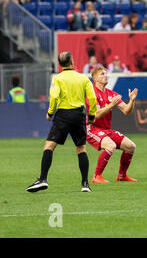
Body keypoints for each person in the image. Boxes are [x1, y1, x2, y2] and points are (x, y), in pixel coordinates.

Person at [26, 52, 97, 193]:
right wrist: (92, 115)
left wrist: (50, 112)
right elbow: (92, 98)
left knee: (49, 146)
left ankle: (43, 179)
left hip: (63, 115)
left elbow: (54, 97)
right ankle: (85, 184)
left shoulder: (57, 78)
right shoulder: (83, 78)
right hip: (79, 114)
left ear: (59, 64)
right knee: (81, 148)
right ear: (72, 61)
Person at [87, 67, 138, 183]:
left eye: (106, 73)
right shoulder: (92, 94)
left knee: (131, 146)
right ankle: (96, 176)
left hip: (105, 130)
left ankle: (122, 176)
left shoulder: (111, 94)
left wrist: (132, 101)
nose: (105, 75)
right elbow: (97, 115)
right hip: (92, 128)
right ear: (95, 79)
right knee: (111, 145)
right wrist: (111, 105)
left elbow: (126, 111)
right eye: (102, 74)